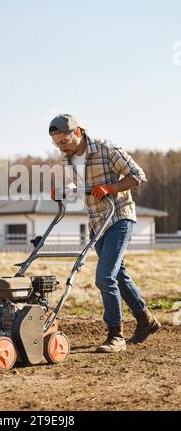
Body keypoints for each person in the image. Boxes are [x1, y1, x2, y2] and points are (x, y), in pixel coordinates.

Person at [49, 113, 161, 353]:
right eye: (56, 143)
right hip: (96, 222)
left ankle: (115, 335)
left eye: (64, 141)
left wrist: (111, 188)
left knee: (104, 277)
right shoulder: (66, 158)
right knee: (118, 274)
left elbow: (138, 175)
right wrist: (63, 191)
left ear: (77, 132)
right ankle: (146, 320)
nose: (61, 147)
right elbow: (77, 186)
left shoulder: (106, 149)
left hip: (119, 216)